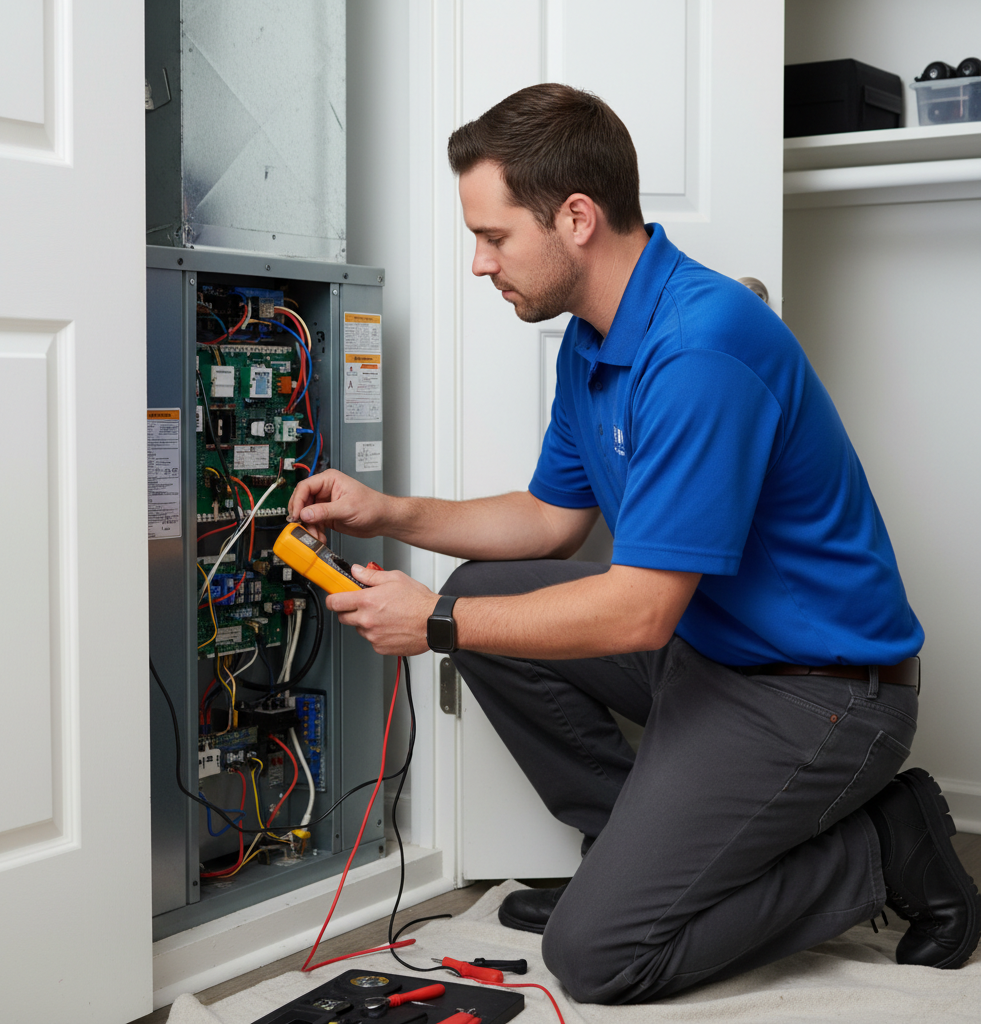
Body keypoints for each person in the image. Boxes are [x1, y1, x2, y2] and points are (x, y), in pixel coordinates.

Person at [287, 83, 980, 1002]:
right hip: (714, 656)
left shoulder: (698, 348)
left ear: (576, 217)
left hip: (821, 697)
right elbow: (548, 520)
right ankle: (635, 857)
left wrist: (437, 629)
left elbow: (642, 609)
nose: (479, 264)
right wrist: (389, 512)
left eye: (493, 236)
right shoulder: (594, 339)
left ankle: (883, 845)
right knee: (476, 592)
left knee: (598, 959)